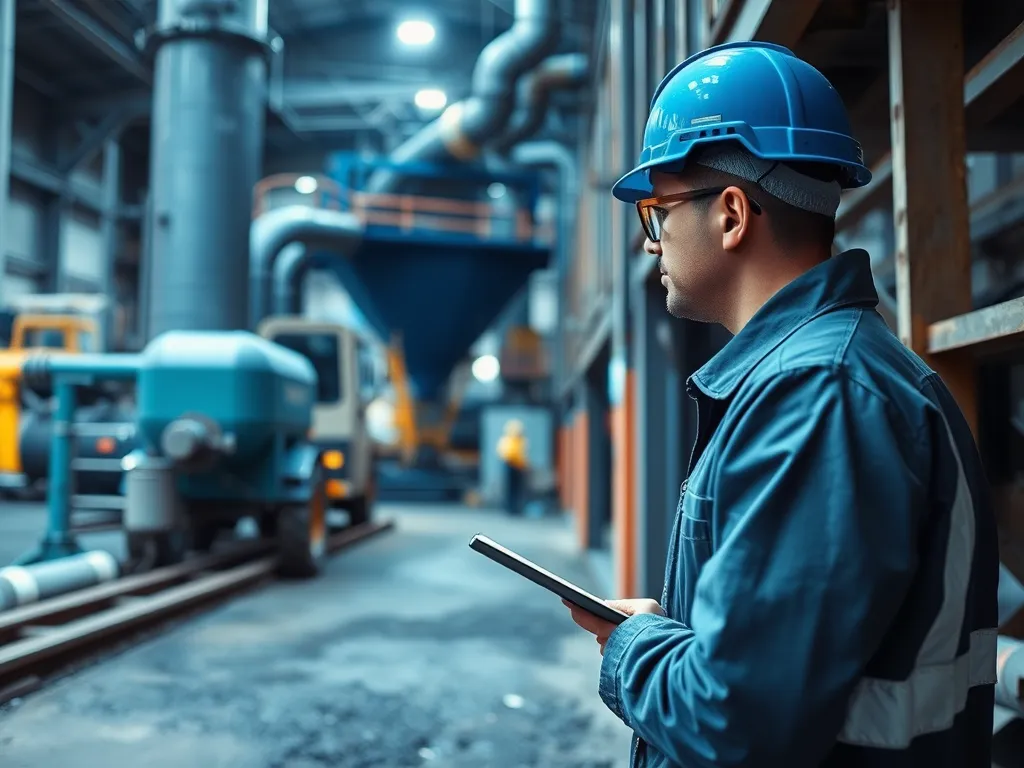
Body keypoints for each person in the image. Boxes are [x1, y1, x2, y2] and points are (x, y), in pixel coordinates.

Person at [562, 41, 1000, 767]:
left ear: (732, 214)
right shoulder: (824, 378)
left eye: (657, 213)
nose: (651, 245)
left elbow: (736, 721)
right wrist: (672, 639)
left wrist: (632, 647)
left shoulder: (818, 395)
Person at [497, 418, 529, 515]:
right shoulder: (508, 440)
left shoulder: (520, 441)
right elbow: (507, 454)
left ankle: (515, 508)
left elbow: (522, 454)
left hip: (517, 467)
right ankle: (510, 508)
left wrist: (524, 464)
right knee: (510, 488)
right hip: (510, 465)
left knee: (516, 489)